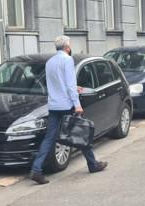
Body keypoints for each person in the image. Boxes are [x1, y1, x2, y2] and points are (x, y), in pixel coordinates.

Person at [29, 36, 107, 185]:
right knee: (81, 133)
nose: (70, 47)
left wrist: (72, 88)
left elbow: (55, 83)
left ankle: (36, 170)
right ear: (67, 47)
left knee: (49, 138)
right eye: (70, 45)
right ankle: (92, 164)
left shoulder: (50, 62)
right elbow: (70, 85)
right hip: (66, 105)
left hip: (54, 105)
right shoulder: (67, 60)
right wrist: (77, 104)